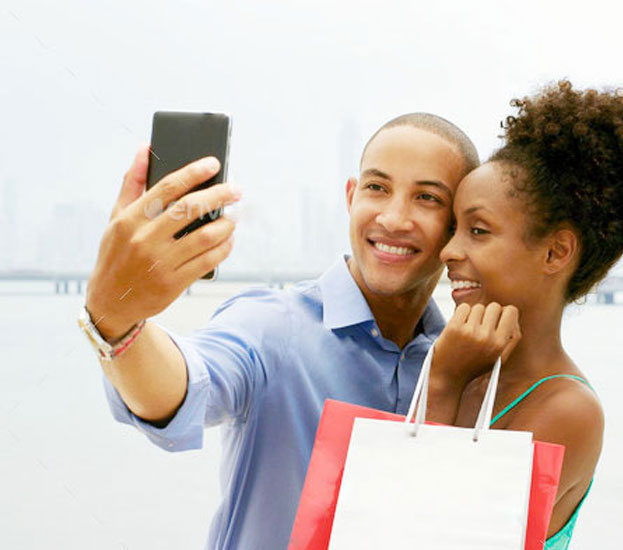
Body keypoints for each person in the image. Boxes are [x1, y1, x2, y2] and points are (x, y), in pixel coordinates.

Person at [80, 113, 479, 549]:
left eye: (426, 198)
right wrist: (114, 320)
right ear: (351, 196)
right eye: (377, 188)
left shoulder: (463, 362)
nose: (394, 218)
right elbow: (180, 389)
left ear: (459, 224)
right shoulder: (272, 327)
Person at [427, 80, 623, 548]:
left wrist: (442, 385)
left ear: (555, 252)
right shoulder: (459, 360)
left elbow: (448, 536)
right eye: (453, 228)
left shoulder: (567, 411)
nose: (449, 250)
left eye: (478, 229)